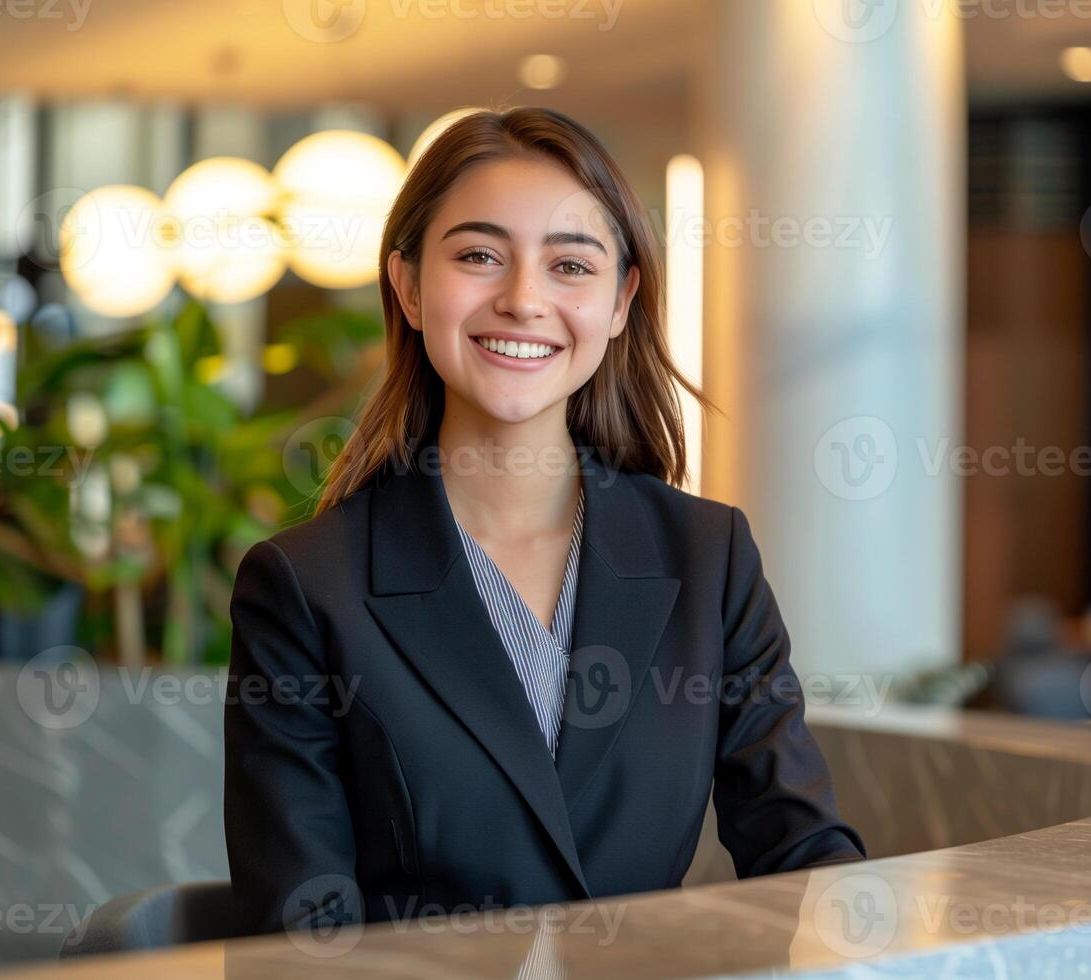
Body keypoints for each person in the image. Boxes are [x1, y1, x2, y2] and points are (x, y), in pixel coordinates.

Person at [223, 106, 865, 938]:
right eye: (480, 256)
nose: (524, 299)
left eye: (570, 265)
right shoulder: (307, 588)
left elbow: (802, 853)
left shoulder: (709, 558)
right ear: (410, 287)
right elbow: (304, 936)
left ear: (621, 300)